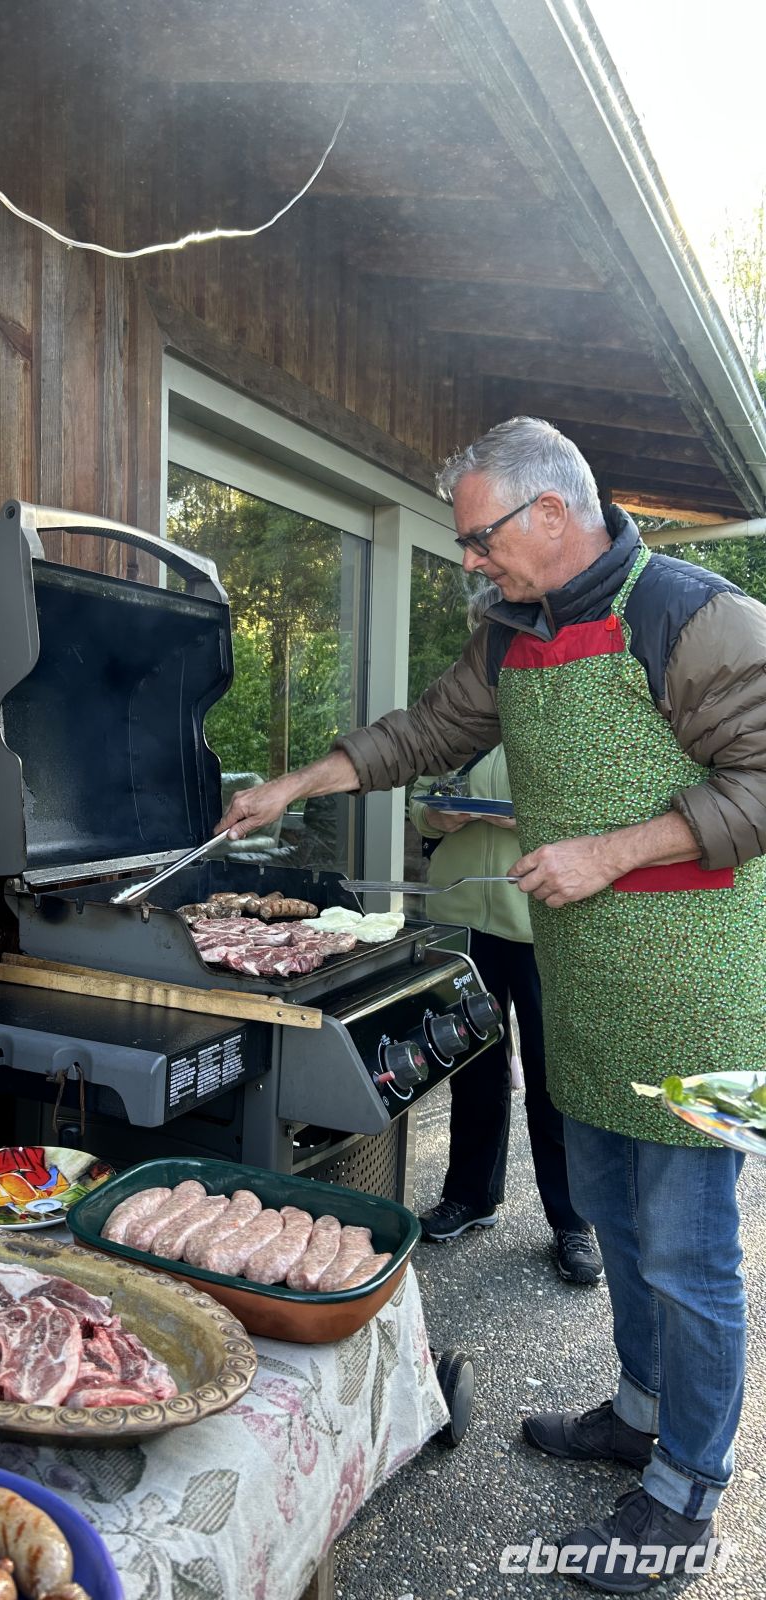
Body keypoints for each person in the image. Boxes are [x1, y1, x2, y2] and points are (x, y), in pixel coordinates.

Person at [217, 416, 766, 1588]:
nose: (470, 560)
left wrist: (610, 850)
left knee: (689, 1250)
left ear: (551, 515)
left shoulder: (689, 613)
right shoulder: (513, 635)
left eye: (479, 537)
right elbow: (430, 730)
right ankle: (638, 1408)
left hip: (709, 998)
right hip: (598, 982)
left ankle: (687, 1491)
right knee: (617, 1220)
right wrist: (300, 782)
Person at [408, 599, 601, 1285]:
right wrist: (437, 811)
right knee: (473, 1069)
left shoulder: (569, 706)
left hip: (543, 920)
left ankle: (574, 1224)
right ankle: (469, 1196)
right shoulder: (462, 716)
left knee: (555, 1081)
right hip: (465, 919)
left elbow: (599, 810)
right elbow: (424, 805)